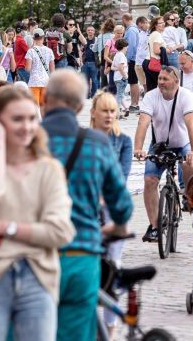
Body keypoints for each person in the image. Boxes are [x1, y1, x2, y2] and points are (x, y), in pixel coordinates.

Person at [0, 86, 75, 341]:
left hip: (37, 275)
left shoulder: (49, 169)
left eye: (32, 118)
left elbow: (60, 231)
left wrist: (4, 228)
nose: (26, 127)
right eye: (17, 119)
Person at [40, 71, 132, 341]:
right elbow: (122, 205)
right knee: (78, 329)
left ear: (45, 99)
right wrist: (117, 227)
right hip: (82, 253)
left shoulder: (27, 141)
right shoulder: (96, 143)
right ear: (80, 107)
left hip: (37, 255)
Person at [134, 67, 193, 242]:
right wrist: (138, 148)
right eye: (160, 78)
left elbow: (191, 124)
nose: (161, 82)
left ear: (176, 81)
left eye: (165, 79)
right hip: (159, 145)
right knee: (149, 180)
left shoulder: (186, 96)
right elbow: (143, 123)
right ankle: (154, 226)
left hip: (182, 143)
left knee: (190, 164)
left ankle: (187, 195)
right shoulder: (151, 97)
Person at [89, 90, 132, 339]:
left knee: (113, 267)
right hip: (87, 213)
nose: (109, 115)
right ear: (93, 112)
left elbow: (121, 179)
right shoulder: (83, 141)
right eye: (104, 110)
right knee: (89, 266)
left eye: (112, 110)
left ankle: (111, 328)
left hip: (112, 213)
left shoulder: (122, 141)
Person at [26, 28, 56, 106]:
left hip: (34, 82)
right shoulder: (49, 51)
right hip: (46, 82)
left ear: (33, 38)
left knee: (34, 107)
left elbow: (28, 69)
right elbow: (52, 70)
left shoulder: (31, 51)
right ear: (43, 37)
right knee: (44, 107)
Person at [145, 15, 168, 92]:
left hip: (150, 62)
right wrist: (166, 50)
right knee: (159, 87)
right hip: (156, 63)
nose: (163, 24)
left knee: (151, 88)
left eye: (163, 22)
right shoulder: (157, 34)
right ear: (155, 25)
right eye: (160, 23)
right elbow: (156, 50)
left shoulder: (153, 34)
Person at [81, 25, 100, 96]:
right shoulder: (84, 40)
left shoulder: (97, 40)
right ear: (86, 31)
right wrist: (80, 61)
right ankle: (87, 94)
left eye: (91, 30)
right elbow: (81, 50)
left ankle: (93, 94)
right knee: (86, 80)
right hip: (85, 62)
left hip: (94, 63)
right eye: (88, 30)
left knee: (94, 80)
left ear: (94, 32)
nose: (90, 31)